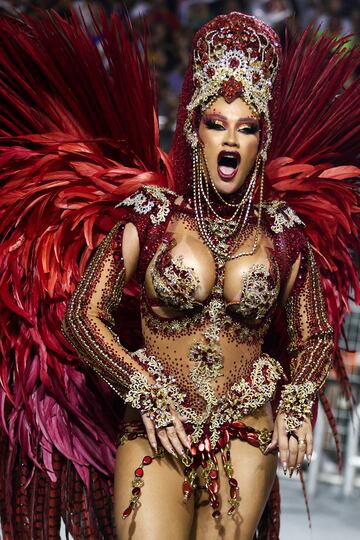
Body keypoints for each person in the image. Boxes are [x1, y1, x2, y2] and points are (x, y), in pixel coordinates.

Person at [0, 8, 359, 540]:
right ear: (195, 132)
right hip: (157, 427)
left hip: (246, 428)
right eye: (216, 124)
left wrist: (297, 400)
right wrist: (145, 391)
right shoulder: (151, 218)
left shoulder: (284, 234)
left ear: (262, 140)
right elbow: (83, 314)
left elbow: (313, 335)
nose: (230, 140)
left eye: (247, 127)